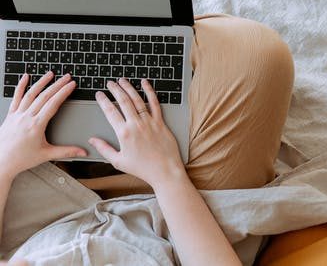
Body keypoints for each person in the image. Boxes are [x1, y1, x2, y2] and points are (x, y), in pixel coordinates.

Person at [0, 14, 295, 265]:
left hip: (27, 219)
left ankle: (111, 28)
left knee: (20, 57)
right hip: (169, 225)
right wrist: (166, 173)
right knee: (257, 55)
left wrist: (5, 160)